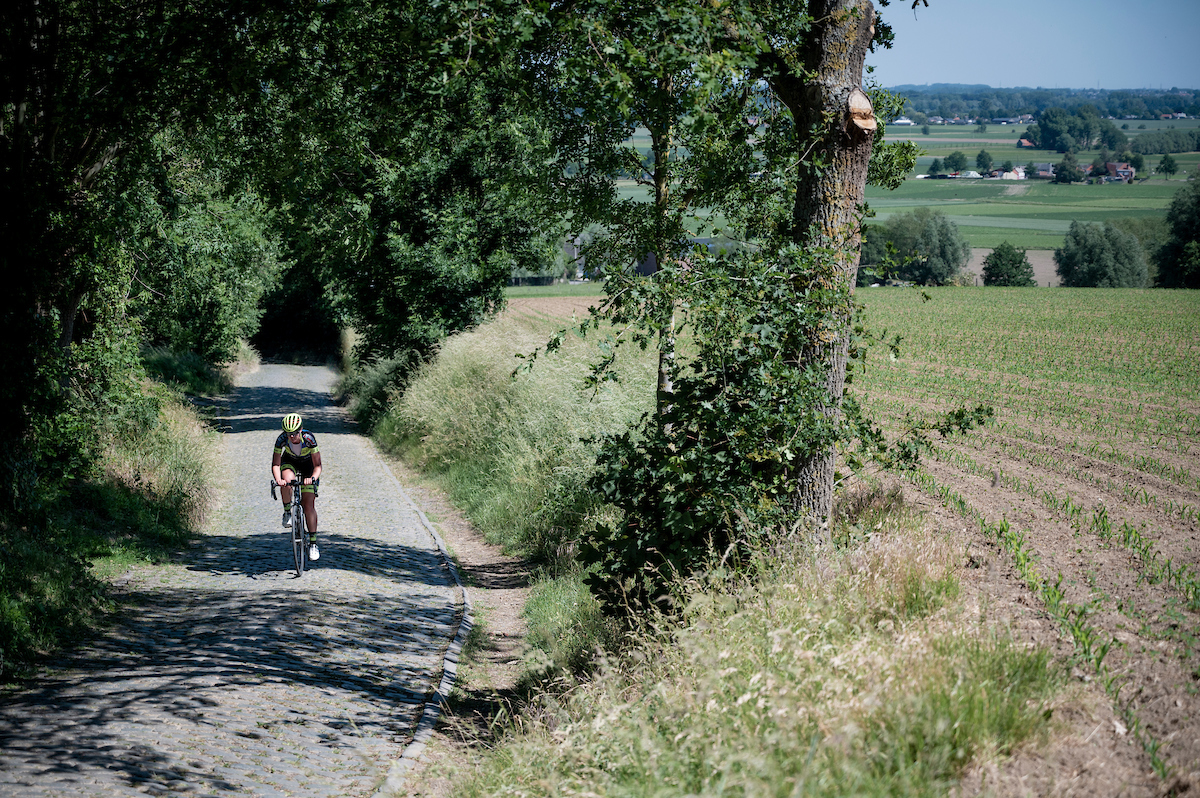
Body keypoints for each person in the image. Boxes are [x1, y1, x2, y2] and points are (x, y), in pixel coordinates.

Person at [271, 412, 323, 561]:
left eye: (294, 433)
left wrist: (312, 478)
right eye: (288, 434)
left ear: (300, 430)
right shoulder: (281, 440)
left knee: (308, 505)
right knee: (287, 481)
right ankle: (287, 512)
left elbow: (318, 465)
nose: (291, 437)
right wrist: (278, 479)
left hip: (309, 465)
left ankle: (313, 543)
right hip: (290, 462)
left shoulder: (309, 439)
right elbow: (276, 464)